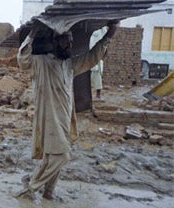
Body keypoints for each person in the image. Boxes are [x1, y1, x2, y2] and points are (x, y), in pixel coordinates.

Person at [16, 20, 118, 200]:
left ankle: (48, 192)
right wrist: (32, 35)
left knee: (51, 158)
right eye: (65, 40)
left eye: (71, 40)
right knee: (61, 156)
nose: (69, 44)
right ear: (55, 42)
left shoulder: (70, 65)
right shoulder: (42, 62)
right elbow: (23, 61)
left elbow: (92, 57)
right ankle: (30, 186)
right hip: (48, 118)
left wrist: (108, 35)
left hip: (64, 119)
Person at [90, 27, 108, 99]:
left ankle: (98, 94)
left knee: (97, 77)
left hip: (96, 56)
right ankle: (95, 94)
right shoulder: (94, 31)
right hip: (91, 55)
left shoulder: (102, 30)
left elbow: (105, 46)